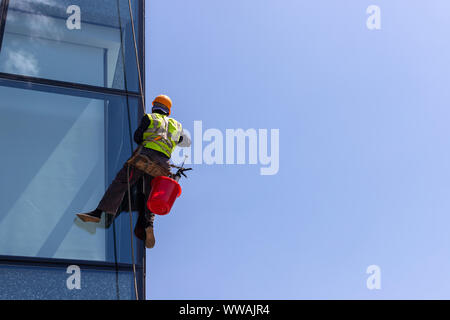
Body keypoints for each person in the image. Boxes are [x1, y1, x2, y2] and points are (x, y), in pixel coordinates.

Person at [76, 94, 190, 249]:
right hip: (163, 165)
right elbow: (185, 142)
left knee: (121, 183)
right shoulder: (176, 125)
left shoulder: (149, 117)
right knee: (151, 195)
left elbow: (138, 137)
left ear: (154, 106)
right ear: (168, 111)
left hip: (145, 157)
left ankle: (98, 213)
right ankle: (149, 225)